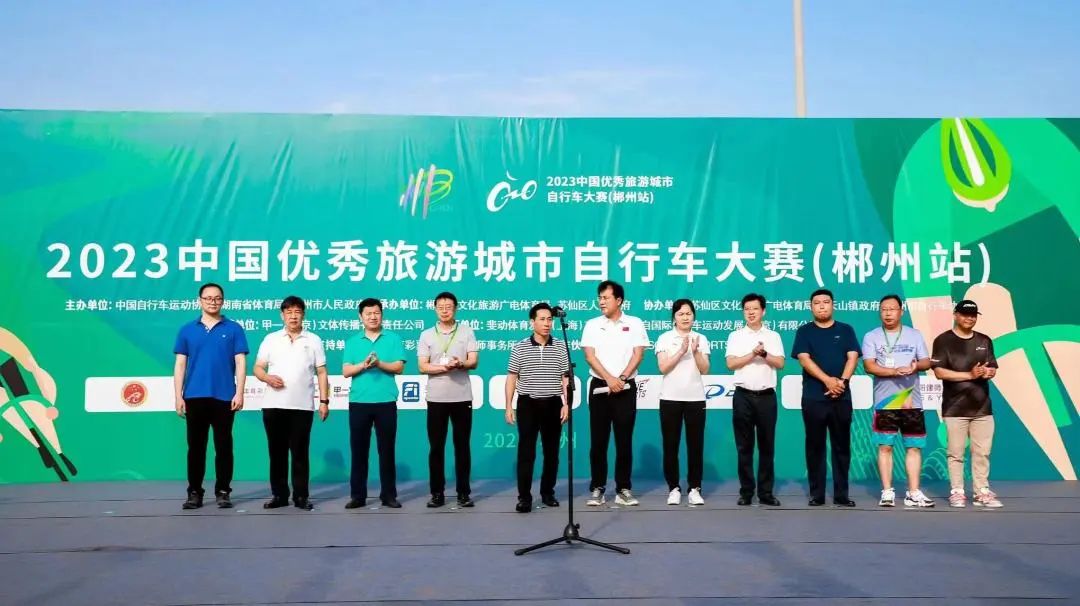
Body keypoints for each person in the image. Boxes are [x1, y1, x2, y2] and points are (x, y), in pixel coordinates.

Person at [173, 283, 248, 510]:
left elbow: (240, 362)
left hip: (224, 396)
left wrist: (239, 392)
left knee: (224, 447)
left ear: (222, 301)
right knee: (196, 448)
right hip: (194, 396)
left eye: (217, 298)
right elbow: (180, 364)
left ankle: (223, 491)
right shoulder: (187, 330)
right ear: (200, 301)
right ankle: (194, 492)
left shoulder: (233, 328)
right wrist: (178, 396)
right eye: (208, 298)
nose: (212, 302)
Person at [253, 296, 330, 511]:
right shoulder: (271, 339)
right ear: (282, 315)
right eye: (289, 312)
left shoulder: (313, 340)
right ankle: (279, 495)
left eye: (297, 312)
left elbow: (322, 372)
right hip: (273, 405)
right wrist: (267, 378)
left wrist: (324, 401)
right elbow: (258, 368)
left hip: (302, 406)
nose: (293, 316)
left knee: (300, 453)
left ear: (303, 314)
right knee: (276, 453)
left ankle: (301, 496)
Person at [861, 294, 934, 508]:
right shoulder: (872, 336)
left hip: (912, 401)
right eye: (884, 309)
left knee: (914, 447)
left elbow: (926, 361)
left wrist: (916, 366)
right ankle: (887, 492)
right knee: (885, 447)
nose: (888, 313)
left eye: (892, 309)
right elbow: (869, 366)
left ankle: (913, 493)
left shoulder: (914, 335)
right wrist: (894, 371)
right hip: (885, 402)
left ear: (901, 311)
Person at [581, 280, 650, 507]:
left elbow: (638, 354)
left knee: (624, 441)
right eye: (599, 298)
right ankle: (598, 487)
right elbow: (590, 356)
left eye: (606, 298)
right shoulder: (592, 324)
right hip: (600, 387)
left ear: (619, 300)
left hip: (625, 388)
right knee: (598, 441)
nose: (601, 302)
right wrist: (610, 379)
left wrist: (621, 378)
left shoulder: (635, 323)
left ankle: (623, 488)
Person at [791, 288, 860, 507]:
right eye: (817, 303)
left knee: (842, 447)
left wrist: (842, 382)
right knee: (815, 447)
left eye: (826, 302)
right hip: (814, 398)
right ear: (811, 307)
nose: (822, 306)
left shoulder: (846, 330)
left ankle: (841, 495)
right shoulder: (804, 331)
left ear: (833, 305)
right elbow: (804, 359)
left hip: (841, 397)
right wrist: (828, 381)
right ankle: (817, 494)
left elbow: (853, 357)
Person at [931, 299, 1002, 508]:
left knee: (982, 452)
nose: (969, 318)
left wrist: (987, 372)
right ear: (955, 315)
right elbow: (939, 372)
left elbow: (992, 368)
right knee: (956, 453)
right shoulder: (943, 340)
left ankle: (982, 492)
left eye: (973, 315)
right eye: (964, 314)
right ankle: (957, 492)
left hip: (982, 408)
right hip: (954, 408)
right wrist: (969, 375)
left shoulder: (984, 340)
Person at [504, 303, 570, 513]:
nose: (547, 323)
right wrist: (508, 406)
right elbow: (512, 377)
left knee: (551, 453)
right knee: (526, 452)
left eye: (550, 319)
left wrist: (566, 403)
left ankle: (548, 493)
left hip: (553, 403)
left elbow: (565, 378)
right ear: (532, 322)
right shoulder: (520, 347)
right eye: (542, 319)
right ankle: (524, 497)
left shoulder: (560, 346)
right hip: (528, 404)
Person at [343, 298, 406, 509]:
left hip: (386, 401)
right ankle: (357, 496)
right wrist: (364, 365)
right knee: (359, 451)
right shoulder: (353, 341)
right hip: (359, 402)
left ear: (382, 315)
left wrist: (379, 363)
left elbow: (399, 367)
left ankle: (388, 495)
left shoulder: (393, 338)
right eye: (368, 313)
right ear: (360, 317)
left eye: (376, 313)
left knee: (387, 451)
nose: (373, 317)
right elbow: (346, 371)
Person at [418, 291, 479, 508]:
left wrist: (460, 364)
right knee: (436, 447)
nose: (445, 311)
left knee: (462, 446)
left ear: (456, 308)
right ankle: (437, 493)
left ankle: (464, 493)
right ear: (435, 309)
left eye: (449, 307)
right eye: (441, 307)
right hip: (436, 398)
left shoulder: (466, 331)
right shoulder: (426, 335)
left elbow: (473, 361)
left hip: (461, 397)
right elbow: (422, 366)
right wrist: (443, 368)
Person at [725, 293, 785, 507]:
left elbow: (780, 363)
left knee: (767, 447)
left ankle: (766, 493)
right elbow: (731, 364)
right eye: (747, 309)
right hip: (743, 396)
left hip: (766, 397)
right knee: (744, 447)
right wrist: (753, 354)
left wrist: (764, 354)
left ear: (763, 311)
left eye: (755, 309)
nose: (750, 313)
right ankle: (746, 492)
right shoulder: (736, 336)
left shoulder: (773, 336)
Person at [0, 327, 77, 481]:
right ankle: (43, 450)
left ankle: (58, 453)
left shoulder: (4, 339)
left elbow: (33, 366)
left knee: (30, 409)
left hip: (12, 372)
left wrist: (49, 403)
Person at [655, 299, 710, 506]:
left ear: (693, 316)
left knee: (696, 446)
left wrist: (695, 351)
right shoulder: (665, 338)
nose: (685, 317)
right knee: (671, 445)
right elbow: (663, 367)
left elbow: (705, 369)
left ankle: (695, 488)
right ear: (674, 317)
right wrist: (681, 351)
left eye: (688, 313)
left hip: (695, 398)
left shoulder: (701, 338)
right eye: (681, 314)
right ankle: (674, 488)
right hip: (670, 398)